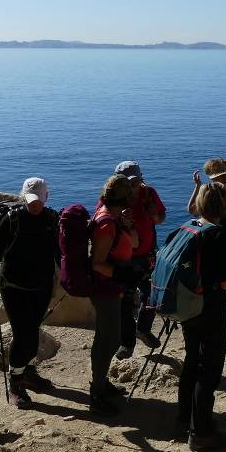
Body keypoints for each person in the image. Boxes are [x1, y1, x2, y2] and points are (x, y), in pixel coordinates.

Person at [178, 182, 226, 451]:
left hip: (187, 306)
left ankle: (184, 418)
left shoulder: (187, 228)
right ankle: (200, 433)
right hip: (210, 309)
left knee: (191, 361)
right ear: (224, 207)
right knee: (208, 370)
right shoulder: (218, 235)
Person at [0, 177, 62, 409]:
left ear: (46, 197)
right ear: (23, 197)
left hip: (41, 285)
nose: (35, 204)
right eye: (31, 200)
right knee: (23, 334)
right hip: (13, 286)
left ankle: (28, 372)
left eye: (38, 200)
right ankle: (16, 384)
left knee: (33, 331)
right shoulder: (12, 219)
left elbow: (58, 252)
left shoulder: (52, 218)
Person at [89, 174, 139, 416]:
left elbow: (136, 243)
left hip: (113, 287)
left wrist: (128, 225)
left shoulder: (115, 218)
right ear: (124, 197)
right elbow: (97, 263)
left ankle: (101, 383)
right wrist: (122, 275)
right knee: (107, 340)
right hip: (105, 289)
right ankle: (97, 393)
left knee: (109, 337)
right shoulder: (107, 223)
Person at [187, 158, 226, 331]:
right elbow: (192, 210)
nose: (222, 180)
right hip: (214, 238)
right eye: (219, 177)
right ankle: (217, 308)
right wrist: (197, 187)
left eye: (224, 176)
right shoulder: (208, 191)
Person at [111, 161, 167, 358]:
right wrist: (120, 219)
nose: (133, 186)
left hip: (147, 254)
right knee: (125, 300)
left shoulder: (148, 193)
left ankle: (142, 328)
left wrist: (154, 217)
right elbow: (102, 220)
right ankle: (127, 343)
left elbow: (162, 217)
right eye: (129, 183)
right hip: (124, 257)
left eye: (135, 182)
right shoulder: (112, 197)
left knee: (152, 293)